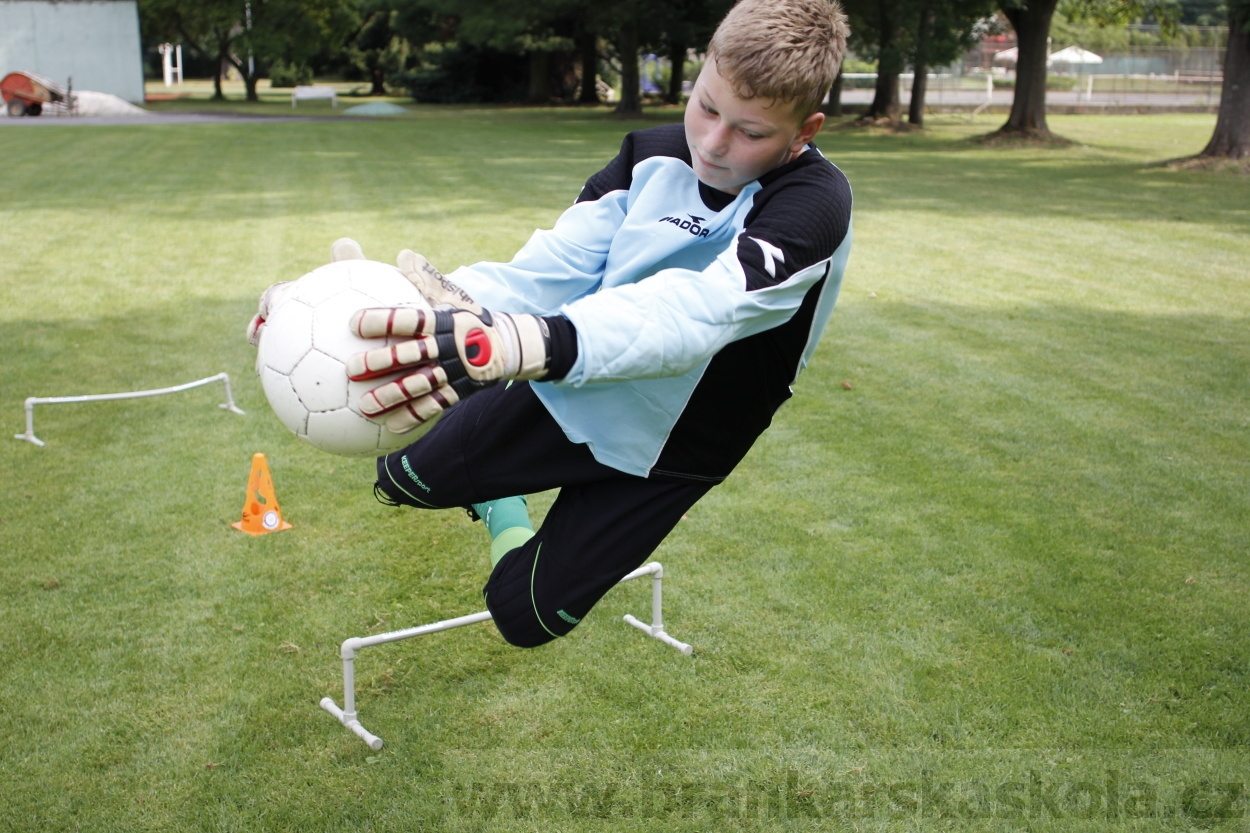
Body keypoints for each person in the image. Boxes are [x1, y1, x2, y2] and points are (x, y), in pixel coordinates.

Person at [254, 0, 852, 649]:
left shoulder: (814, 205)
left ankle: (524, 512)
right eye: (706, 106)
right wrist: (384, 303)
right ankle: (498, 492)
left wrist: (523, 342)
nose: (712, 143)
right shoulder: (646, 156)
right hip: (571, 381)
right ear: (701, 72)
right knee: (401, 476)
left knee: (523, 615)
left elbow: (696, 313)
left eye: (750, 131)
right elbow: (549, 268)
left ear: (804, 129)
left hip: (679, 445)